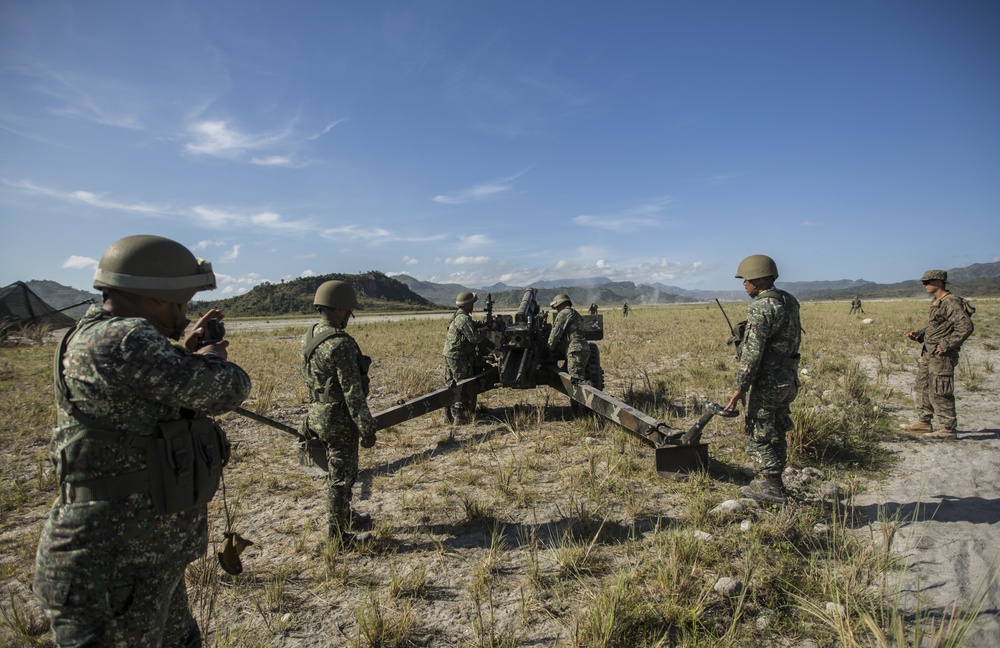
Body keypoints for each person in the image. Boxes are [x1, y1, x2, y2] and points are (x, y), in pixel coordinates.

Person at [33, 235, 252, 647]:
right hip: (114, 566)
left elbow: (145, 399)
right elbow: (227, 388)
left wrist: (181, 352)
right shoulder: (126, 339)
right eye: (180, 302)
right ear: (154, 297)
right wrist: (209, 357)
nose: (183, 311)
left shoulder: (98, 335)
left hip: (135, 563)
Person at [301, 280, 377, 542]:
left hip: (317, 413)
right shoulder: (341, 344)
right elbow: (353, 394)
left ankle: (344, 516)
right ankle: (338, 538)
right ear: (343, 309)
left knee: (336, 474)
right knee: (342, 478)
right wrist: (367, 429)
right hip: (338, 419)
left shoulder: (311, 334)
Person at [724, 254, 801, 505]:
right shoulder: (789, 301)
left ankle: (771, 487)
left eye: (745, 280)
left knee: (758, 430)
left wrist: (740, 387)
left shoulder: (761, 307)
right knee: (777, 427)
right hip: (787, 377)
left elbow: (752, 352)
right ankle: (774, 481)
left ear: (758, 279)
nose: (743, 285)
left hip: (768, 380)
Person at [900, 270, 974, 441]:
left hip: (942, 356)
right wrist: (920, 335)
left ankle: (947, 428)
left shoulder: (951, 302)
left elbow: (965, 327)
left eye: (928, 281)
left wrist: (946, 345)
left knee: (940, 390)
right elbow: (937, 328)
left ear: (940, 282)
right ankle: (924, 421)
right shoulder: (938, 302)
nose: (924, 285)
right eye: (923, 282)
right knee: (922, 387)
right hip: (930, 353)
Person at [442, 291, 487, 424]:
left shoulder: (458, 316)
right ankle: (458, 416)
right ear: (468, 305)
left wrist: (482, 323)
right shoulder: (464, 319)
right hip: (458, 356)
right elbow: (474, 338)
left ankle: (447, 415)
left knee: (450, 384)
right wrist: (484, 333)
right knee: (462, 384)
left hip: (449, 354)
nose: (473, 306)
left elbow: (470, 326)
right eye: (472, 304)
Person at [548, 293, 591, 384]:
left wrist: (549, 348)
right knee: (575, 377)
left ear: (559, 304)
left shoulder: (563, 313)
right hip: (582, 348)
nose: (557, 310)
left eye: (556, 308)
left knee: (576, 382)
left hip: (574, 350)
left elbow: (555, 334)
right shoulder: (576, 314)